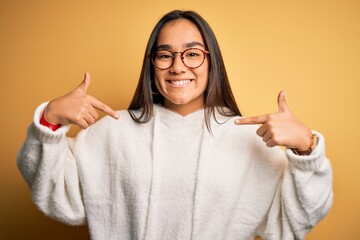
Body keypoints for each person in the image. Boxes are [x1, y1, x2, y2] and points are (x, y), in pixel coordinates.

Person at [17, 10, 333, 240]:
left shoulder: (251, 139)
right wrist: (50, 120)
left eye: (192, 53)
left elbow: (291, 224)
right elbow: (61, 200)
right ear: (151, 64)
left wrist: (307, 149)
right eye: (165, 55)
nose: (178, 65)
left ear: (212, 62)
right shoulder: (113, 132)